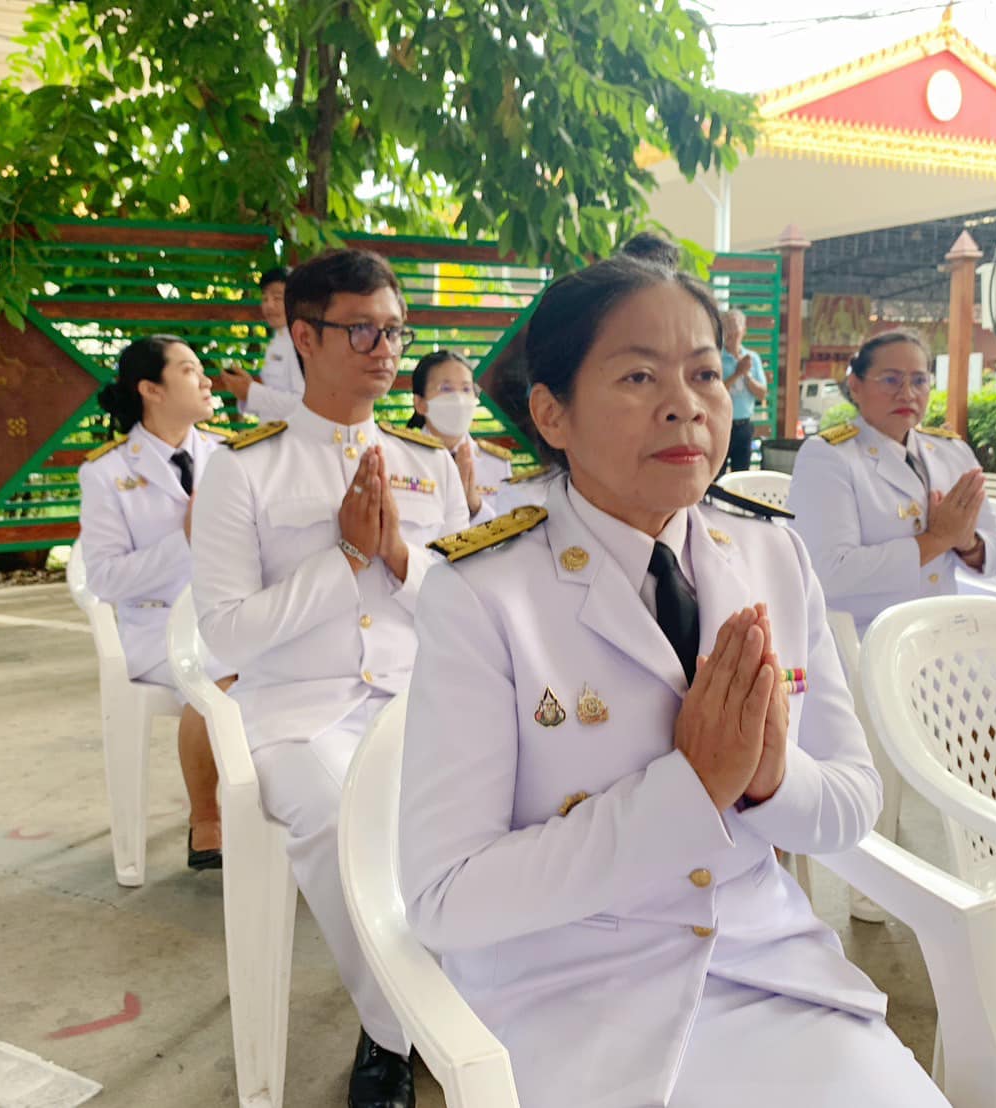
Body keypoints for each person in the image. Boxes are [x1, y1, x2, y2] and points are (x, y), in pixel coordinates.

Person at [398, 255, 946, 1108]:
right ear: (551, 413)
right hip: (570, 988)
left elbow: (850, 802)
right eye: (637, 376)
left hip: (767, 966)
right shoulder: (483, 591)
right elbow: (445, 898)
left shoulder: (771, 552)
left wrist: (768, 779)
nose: (684, 404)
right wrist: (691, 790)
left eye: (704, 373)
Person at [190, 249, 467, 1108]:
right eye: (362, 331)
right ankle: (393, 1030)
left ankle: (468, 998)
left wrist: (397, 555)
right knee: (345, 819)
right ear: (303, 336)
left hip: (422, 703)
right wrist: (344, 559)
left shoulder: (427, 461)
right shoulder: (244, 467)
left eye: (394, 332)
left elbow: (468, 607)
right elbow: (224, 632)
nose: (385, 351)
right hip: (298, 715)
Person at [77, 335, 235, 870]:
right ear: (151, 389)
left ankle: (277, 814)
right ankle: (206, 817)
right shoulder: (105, 472)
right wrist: (185, 542)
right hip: (158, 629)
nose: (206, 380)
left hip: (227, 611)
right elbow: (105, 579)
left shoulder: (229, 455)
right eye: (189, 370)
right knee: (223, 677)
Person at [786, 331, 996, 636]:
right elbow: (829, 572)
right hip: (868, 638)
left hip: (947, 632)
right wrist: (937, 540)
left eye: (919, 381)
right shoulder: (829, 456)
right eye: (891, 380)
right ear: (855, 386)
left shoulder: (952, 452)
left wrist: (968, 544)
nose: (907, 394)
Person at [406, 349, 513, 524]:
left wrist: (475, 506)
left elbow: (509, 533)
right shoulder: (401, 456)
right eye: (446, 388)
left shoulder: (497, 463)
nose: (458, 399)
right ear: (420, 404)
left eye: (466, 389)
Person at [216, 266, 306, 421]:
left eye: (277, 298)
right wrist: (244, 393)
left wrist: (251, 392)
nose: (269, 305)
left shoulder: (302, 343)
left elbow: (305, 405)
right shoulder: (277, 341)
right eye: (265, 299)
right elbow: (270, 406)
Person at [720, 308, 767, 473]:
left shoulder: (752, 358)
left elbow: (762, 393)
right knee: (717, 475)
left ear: (744, 330)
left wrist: (746, 374)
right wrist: (737, 373)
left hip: (744, 426)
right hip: (721, 425)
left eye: (735, 326)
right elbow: (714, 393)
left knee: (741, 474)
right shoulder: (716, 357)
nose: (731, 331)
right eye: (727, 326)